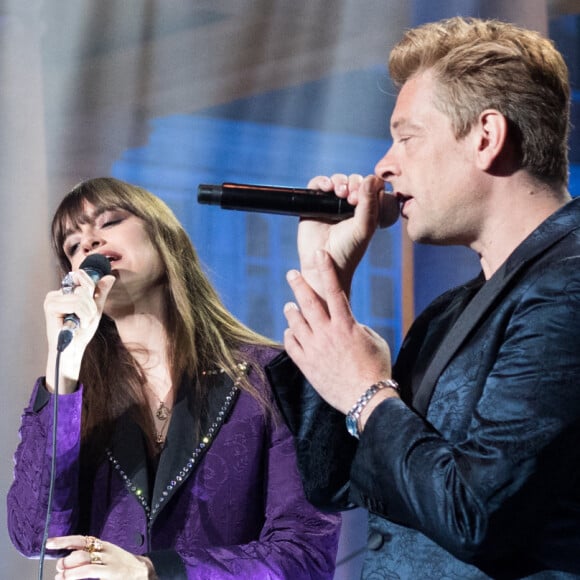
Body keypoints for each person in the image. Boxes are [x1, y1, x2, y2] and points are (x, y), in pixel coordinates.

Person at [267, 16, 580, 579]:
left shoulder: (569, 283)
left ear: (486, 136)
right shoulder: (448, 312)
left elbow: (475, 514)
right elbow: (333, 482)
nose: (385, 165)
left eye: (407, 137)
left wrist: (367, 395)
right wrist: (326, 274)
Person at [7, 177, 340, 579]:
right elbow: (34, 536)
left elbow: (305, 554)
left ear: (167, 240)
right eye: (73, 246)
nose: (89, 243)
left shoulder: (270, 376)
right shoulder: (74, 398)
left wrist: (155, 572)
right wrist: (62, 376)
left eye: (108, 221)